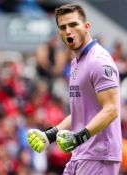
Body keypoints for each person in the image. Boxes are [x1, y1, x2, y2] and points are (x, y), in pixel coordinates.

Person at [27, 3, 122, 175]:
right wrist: (50, 136)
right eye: (63, 27)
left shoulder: (99, 61)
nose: (68, 30)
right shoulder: (76, 63)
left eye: (73, 24)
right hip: (81, 154)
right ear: (59, 33)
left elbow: (112, 109)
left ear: (86, 27)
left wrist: (79, 137)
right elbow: (81, 112)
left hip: (99, 156)